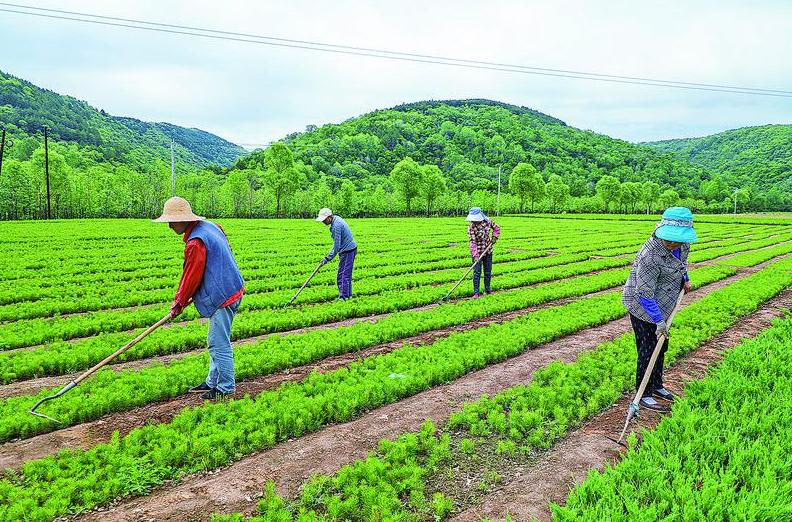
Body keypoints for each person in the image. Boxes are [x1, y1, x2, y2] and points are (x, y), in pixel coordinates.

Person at [154, 196, 245, 401]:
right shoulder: (211, 226)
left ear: (183, 219)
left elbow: (191, 276)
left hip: (223, 296)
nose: (169, 226)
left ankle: (225, 388)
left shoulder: (196, 242)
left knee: (217, 343)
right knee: (216, 340)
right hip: (233, 287)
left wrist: (179, 302)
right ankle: (212, 381)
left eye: (171, 221)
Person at [622, 207, 697, 413]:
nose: (672, 244)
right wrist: (659, 321)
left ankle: (656, 385)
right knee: (647, 350)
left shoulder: (683, 245)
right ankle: (643, 394)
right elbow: (644, 294)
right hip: (642, 305)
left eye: (677, 240)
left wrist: (686, 279)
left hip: (664, 300)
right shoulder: (650, 255)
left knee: (661, 346)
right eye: (669, 239)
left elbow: (682, 263)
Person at [316, 207, 357, 300]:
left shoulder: (336, 226)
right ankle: (348, 296)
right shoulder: (336, 219)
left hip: (348, 251)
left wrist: (327, 258)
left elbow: (336, 246)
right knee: (345, 274)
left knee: (342, 275)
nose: (323, 222)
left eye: (324, 219)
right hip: (349, 249)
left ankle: (344, 297)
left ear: (329, 217)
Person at [466, 207, 500, 298]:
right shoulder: (471, 227)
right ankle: (476, 293)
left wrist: (494, 237)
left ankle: (487, 290)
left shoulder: (488, 221)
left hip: (488, 250)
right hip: (477, 252)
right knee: (477, 272)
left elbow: (497, 228)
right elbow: (472, 242)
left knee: (487, 271)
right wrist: (476, 256)